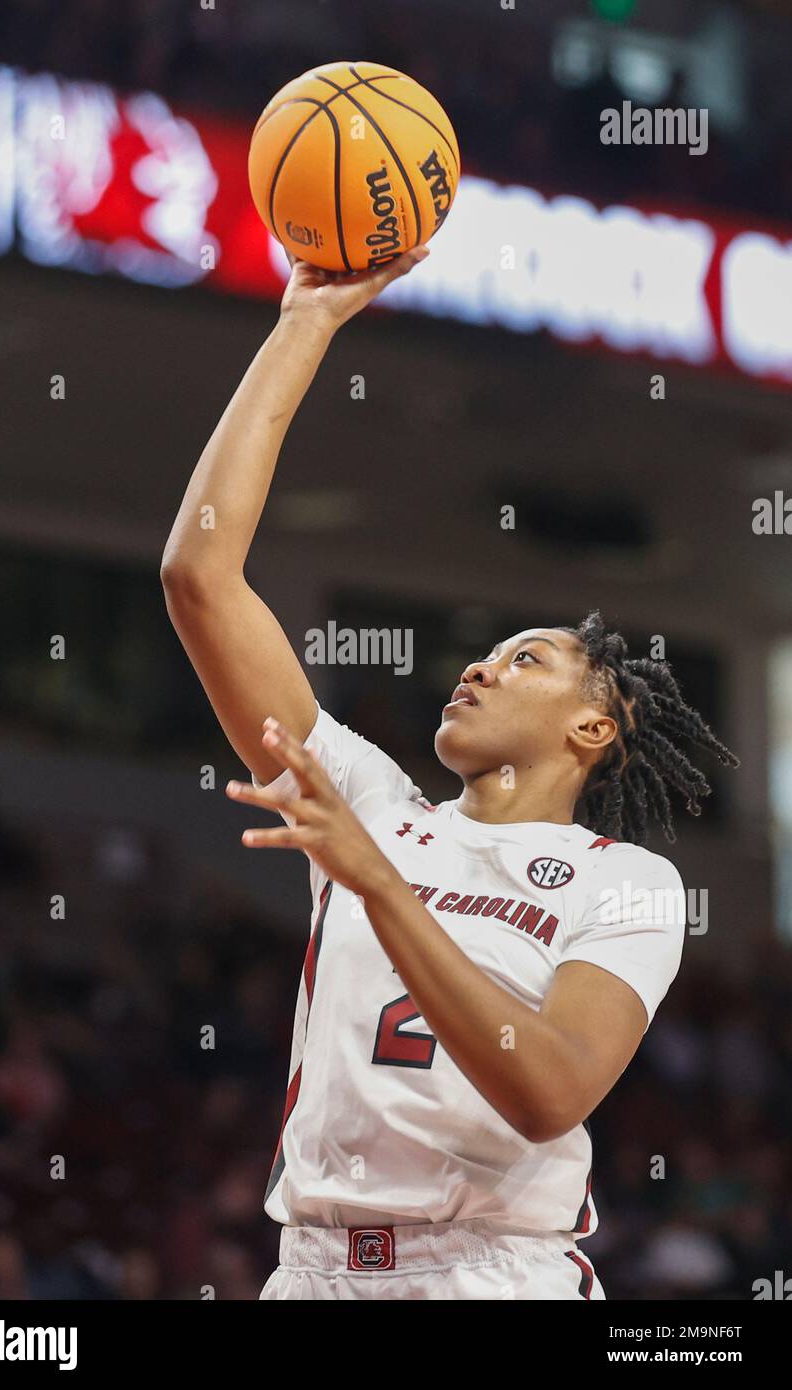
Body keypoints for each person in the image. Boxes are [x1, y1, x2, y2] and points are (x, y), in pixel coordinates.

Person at [161, 248, 737, 1301]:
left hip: (488, 1275)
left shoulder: (624, 881)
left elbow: (547, 1090)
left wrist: (376, 882)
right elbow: (199, 575)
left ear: (592, 728)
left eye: (524, 659)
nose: (475, 664)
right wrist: (305, 325)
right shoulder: (370, 802)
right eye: (484, 651)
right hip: (309, 1271)